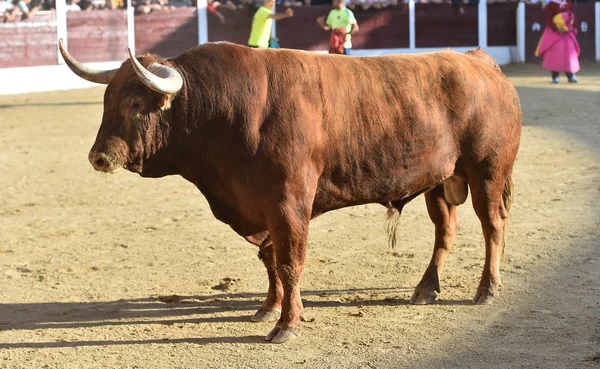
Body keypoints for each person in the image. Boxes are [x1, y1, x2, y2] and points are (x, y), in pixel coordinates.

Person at [535, 0, 580, 83]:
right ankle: (555, 76)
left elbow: (572, 16)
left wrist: (573, 27)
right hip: (555, 33)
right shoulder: (552, 4)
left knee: (569, 55)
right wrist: (556, 28)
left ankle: (570, 75)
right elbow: (548, 18)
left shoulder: (568, 2)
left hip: (567, 33)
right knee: (555, 55)